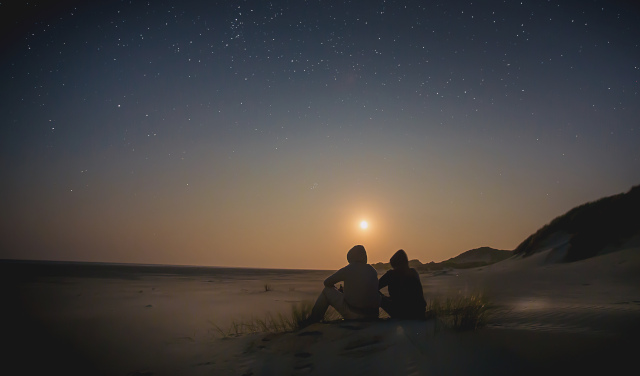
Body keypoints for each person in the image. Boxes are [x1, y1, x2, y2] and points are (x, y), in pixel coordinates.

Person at [304, 245, 380, 324]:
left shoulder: (349, 268)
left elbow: (327, 282)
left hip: (355, 314)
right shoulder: (372, 270)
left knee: (327, 291)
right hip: (373, 315)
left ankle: (313, 320)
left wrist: (336, 289)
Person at [378, 249, 427, 320]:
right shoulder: (413, 272)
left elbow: (374, 286)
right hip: (419, 312)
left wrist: (382, 296)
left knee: (376, 295)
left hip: (401, 313)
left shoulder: (391, 274)